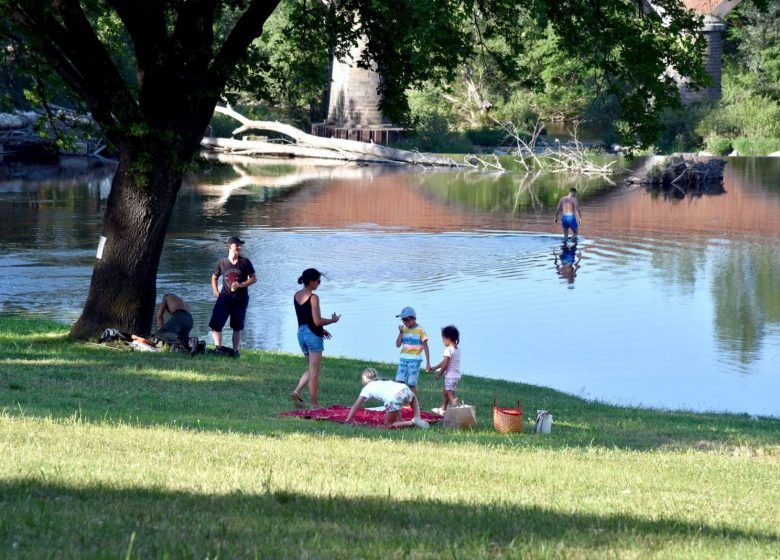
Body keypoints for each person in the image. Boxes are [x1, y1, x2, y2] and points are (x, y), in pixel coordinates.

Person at [291, 268, 340, 408]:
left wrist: (321, 329)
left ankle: (297, 391)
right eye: (318, 281)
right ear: (311, 282)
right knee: (314, 372)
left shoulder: (296, 295)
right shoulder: (313, 297)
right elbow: (317, 321)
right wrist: (333, 320)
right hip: (313, 335)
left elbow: (306, 318)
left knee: (312, 368)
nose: (319, 283)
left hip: (301, 333)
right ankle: (314, 405)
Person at [208, 236, 257, 356]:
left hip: (240, 300)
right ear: (229, 246)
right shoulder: (222, 262)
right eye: (237, 245)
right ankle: (218, 349)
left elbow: (254, 279)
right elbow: (214, 277)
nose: (239, 247)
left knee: (237, 326)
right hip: (224, 298)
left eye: (240, 245)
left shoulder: (245, 262)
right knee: (215, 324)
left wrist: (241, 284)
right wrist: (215, 291)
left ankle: (235, 351)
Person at [345, 368, 430, 429]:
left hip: (394, 398)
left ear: (364, 381)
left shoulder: (367, 388)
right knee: (412, 398)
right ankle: (417, 418)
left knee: (388, 425)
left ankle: (412, 422)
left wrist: (348, 420)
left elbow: (356, 405)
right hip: (405, 389)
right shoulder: (384, 381)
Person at [395, 306, 431, 397]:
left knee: (411, 383)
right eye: (403, 320)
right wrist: (401, 332)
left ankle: (414, 406)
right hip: (403, 359)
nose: (404, 322)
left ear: (413, 318)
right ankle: (401, 402)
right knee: (399, 382)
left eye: (406, 319)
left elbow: (426, 347)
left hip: (414, 360)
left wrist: (428, 363)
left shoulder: (420, 330)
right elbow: (398, 345)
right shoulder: (403, 329)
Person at [428, 325, 461, 415]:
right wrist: (435, 368)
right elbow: (445, 361)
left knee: (451, 396)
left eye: (443, 338)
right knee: (446, 392)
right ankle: (443, 409)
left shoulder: (448, 350)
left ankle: (458, 408)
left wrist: (439, 374)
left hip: (450, 377)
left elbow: (445, 364)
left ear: (447, 338)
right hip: (456, 377)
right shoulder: (456, 349)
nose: (442, 341)